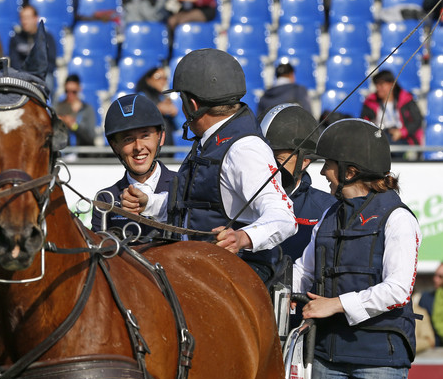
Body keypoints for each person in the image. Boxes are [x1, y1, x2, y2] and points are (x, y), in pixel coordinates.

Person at [291, 118, 421, 379]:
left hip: (380, 356)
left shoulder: (398, 219)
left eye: (328, 165)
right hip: (326, 354)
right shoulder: (328, 217)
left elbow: (398, 289)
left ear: (350, 170)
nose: (323, 174)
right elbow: (302, 273)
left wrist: (336, 304)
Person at [164, 48, 297, 284]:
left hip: (230, 279)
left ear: (192, 105)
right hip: (192, 270)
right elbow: (194, 204)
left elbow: (284, 217)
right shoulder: (209, 141)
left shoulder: (244, 149)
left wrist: (242, 237)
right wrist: (151, 203)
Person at [91, 94, 177, 236]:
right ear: (115, 147)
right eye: (128, 139)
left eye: (145, 136)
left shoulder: (183, 186)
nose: (138, 147)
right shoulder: (106, 199)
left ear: (161, 138)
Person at [259, 104, 336, 261]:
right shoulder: (240, 199)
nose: (270, 166)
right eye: (264, 157)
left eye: (279, 159)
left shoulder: (327, 210)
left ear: (304, 161)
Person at [360, 70, 423, 156]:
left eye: (382, 84)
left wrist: (402, 132)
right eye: (376, 85)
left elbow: (417, 120)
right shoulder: (370, 102)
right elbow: (364, 123)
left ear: (392, 84)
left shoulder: (407, 99)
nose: (378, 88)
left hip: (404, 138)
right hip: (379, 137)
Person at [8, 5, 57, 90]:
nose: (24, 21)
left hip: (42, 75)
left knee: (48, 81)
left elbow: (51, 62)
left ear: (36, 18)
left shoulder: (46, 38)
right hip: (21, 74)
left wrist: (36, 72)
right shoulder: (15, 38)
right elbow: (14, 62)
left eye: (27, 18)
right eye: (22, 18)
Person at [135, 66, 177, 147]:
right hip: (150, 144)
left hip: (167, 143)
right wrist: (158, 109)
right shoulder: (142, 96)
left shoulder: (163, 98)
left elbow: (178, 124)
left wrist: (173, 112)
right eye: (158, 77)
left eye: (165, 78)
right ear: (149, 80)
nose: (163, 81)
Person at [54, 74, 97, 147]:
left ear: (79, 89)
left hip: (82, 155)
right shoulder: (59, 108)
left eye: (74, 92)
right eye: (67, 91)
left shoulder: (87, 109)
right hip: (64, 152)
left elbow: (90, 138)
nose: (70, 95)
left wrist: (74, 126)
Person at [419, 262, 443, 346]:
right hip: (432, 349)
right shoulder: (426, 298)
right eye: (435, 275)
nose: (435, 279)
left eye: (440, 277)